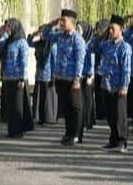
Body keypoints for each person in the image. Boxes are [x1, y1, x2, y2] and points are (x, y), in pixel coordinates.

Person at [45, 9, 87, 146]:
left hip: (72, 79)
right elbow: (46, 35)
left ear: (72, 22)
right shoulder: (60, 36)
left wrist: (77, 79)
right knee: (66, 108)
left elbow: (80, 61)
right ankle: (68, 133)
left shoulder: (77, 39)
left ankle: (77, 135)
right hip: (61, 78)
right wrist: (51, 24)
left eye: (64, 20)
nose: (62, 23)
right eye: (61, 20)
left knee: (76, 108)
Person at [92, 15, 132, 153]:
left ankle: (122, 142)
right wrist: (100, 35)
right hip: (107, 85)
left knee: (120, 116)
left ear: (121, 29)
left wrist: (124, 86)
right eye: (109, 29)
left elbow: (126, 69)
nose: (110, 31)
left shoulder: (124, 47)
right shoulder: (106, 45)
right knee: (111, 116)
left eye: (113, 29)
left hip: (118, 87)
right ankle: (113, 140)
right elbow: (90, 47)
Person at [0, 18, 34, 138]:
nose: (7, 29)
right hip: (7, 77)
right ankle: (12, 130)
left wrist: (22, 78)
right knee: (10, 106)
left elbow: (24, 62)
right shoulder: (7, 40)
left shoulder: (21, 42)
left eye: (9, 27)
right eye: (6, 26)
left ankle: (18, 131)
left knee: (17, 106)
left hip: (17, 78)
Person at [27, 23, 58, 125]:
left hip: (48, 75)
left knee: (46, 98)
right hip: (39, 74)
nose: (41, 34)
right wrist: (34, 34)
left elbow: (54, 61)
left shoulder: (52, 45)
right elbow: (28, 42)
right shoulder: (38, 44)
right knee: (38, 97)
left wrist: (53, 76)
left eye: (43, 32)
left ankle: (47, 118)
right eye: (40, 32)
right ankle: (39, 117)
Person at [77, 21, 96, 143]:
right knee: (81, 100)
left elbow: (91, 60)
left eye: (80, 29)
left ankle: (87, 120)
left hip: (87, 76)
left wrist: (90, 75)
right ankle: (82, 121)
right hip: (80, 75)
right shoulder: (79, 42)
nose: (78, 31)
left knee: (88, 100)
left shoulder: (89, 44)